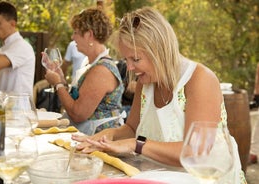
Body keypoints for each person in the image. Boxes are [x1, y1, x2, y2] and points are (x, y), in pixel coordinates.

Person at [72, 7, 247, 183]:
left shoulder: (199, 79)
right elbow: (132, 128)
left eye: (136, 59)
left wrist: (137, 144)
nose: (130, 68)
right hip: (159, 175)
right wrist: (109, 135)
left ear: (159, 50)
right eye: (127, 59)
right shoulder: (145, 81)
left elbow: (195, 153)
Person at [45, 8, 124, 135]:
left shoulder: (101, 70)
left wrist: (58, 84)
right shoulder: (90, 63)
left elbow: (78, 114)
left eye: (75, 32)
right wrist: (62, 80)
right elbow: (77, 99)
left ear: (89, 35)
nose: (72, 37)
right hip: (87, 137)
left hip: (99, 141)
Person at [0, 1, 35, 97]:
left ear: (12, 24)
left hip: (18, 110)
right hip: (4, 108)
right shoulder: (4, 49)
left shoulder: (22, 46)